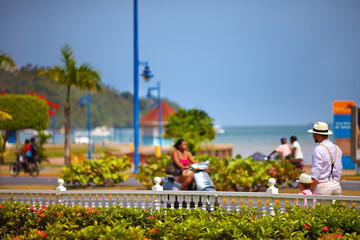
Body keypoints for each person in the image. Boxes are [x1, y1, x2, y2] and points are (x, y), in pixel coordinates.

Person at [308, 122, 342, 195]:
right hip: (336, 184)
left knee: (319, 206)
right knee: (336, 206)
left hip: (322, 186)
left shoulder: (319, 149)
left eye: (313, 134)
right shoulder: (337, 148)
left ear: (317, 135)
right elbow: (339, 168)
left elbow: (316, 172)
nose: (312, 136)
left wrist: (308, 190)